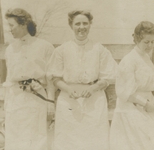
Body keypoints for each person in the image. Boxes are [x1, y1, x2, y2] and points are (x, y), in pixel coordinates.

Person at [47, 10, 118, 150]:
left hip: (94, 101)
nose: (81, 27)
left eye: (85, 23)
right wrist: (68, 89)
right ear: (71, 26)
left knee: (94, 140)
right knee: (68, 141)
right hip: (68, 100)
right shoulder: (62, 50)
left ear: (90, 25)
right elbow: (55, 78)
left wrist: (93, 88)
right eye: (77, 23)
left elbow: (109, 77)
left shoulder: (99, 49)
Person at [109, 21, 154, 150]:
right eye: (146, 42)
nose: (150, 45)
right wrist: (144, 103)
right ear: (137, 39)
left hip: (148, 107)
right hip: (132, 108)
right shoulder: (129, 60)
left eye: (152, 42)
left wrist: (148, 104)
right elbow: (124, 92)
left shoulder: (145, 57)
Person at [4, 8, 54, 150]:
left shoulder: (44, 47)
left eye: (12, 25)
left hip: (36, 99)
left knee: (37, 141)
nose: (10, 29)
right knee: (15, 140)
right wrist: (6, 106)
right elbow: (8, 80)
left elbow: (50, 79)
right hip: (15, 100)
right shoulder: (10, 49)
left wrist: (51, 103)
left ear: (23, 24)